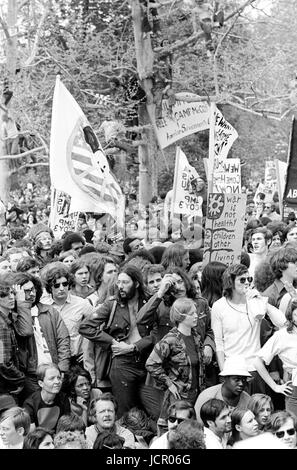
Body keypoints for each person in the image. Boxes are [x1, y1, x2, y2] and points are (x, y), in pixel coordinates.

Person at [79, 265, 154, 417]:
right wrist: (113, 342)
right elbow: (85, 327)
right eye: (118, 282)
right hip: (122, 364)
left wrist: (135, 346)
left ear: (136, 283)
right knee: (126, 412)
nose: (120, 286)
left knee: (152, 410)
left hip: (147, 362)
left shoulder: (149, 303)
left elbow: (157, 333)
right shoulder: (112, 304)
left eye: (125, 283)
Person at [211, 263, 286, 393]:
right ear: (231, 282)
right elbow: (218, 342)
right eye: (242, 279)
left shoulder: (255, 302)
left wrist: (263, 301)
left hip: (254, 368)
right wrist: (223, 370)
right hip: (232, 367)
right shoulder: (219, 306)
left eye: (249, 279)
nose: (247, 283)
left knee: (257, 409)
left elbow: (282, 322)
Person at [13, 272, 71, 402]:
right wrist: (22, 305)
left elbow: (63, 340)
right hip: (31, 374)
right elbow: (25, 331)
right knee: (35, 408)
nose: (31, 294)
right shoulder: (14, 315)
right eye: (26, 291)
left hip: (54, 370)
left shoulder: (49, 311)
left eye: (33, 289)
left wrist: (62, 367)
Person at [146, 297, 205, 423]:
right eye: (192, 314)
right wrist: (169, 383)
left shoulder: (196, 337)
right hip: (179, 395)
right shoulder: (170, 340)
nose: (196, 316)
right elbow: (151, 363)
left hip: (197, 393)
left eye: (196, 313)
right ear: (181, 317)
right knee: (177, 426)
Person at [41, 262, 95, 369]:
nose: (61, 288)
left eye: (65, 284)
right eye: (56, 285)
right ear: (49, 288)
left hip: (77, 358)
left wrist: (87, 351)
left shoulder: (82, 303)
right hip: (53, 359)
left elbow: (96, 326)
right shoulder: (43, 305)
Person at [254, 298, 297, 415]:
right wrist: (275, 387)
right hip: (294, 389)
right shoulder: (282, 335)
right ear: (291, 316)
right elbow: (257, 362)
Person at [194, 355, 251, 420]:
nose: (241, 384)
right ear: (225, 378)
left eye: (244, 380)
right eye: (237, 380)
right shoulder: (207, 397)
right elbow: (197, 426)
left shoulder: (247, 400)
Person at [23, 363, 71, 432]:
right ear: (41, 383)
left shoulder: (64, 399)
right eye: (52, 379)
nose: (57, 382)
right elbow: (31, 434)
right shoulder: (30, 404)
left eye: (59, 378)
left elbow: (66, 427)